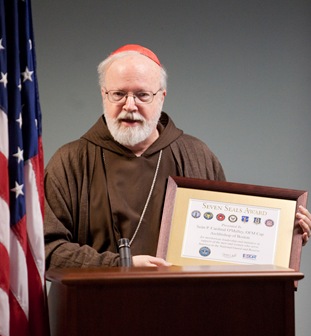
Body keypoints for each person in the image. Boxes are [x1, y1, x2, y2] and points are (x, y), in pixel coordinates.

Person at [44, 44, 311, 269]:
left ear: (161, 98)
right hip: (96, 312)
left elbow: (229, 243)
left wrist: (288, 239)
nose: (129, 105)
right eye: (118, 94)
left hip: (184, 309)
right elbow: (48, 249)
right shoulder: (70, 162)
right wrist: (119, 264)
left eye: (142, 95)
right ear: (104, 95)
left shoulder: (197, 156)